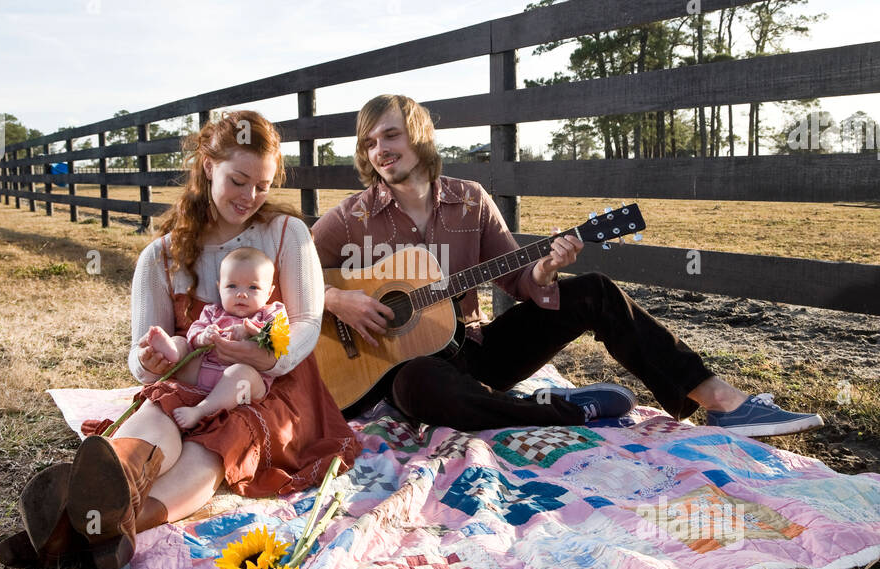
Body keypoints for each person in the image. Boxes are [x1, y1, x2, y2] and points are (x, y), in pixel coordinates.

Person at [310, 93, 825, 437]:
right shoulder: (349, 217)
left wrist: (544, 271)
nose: (380, 150)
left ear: (418, 137)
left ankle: (721, 401)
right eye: (370, 142)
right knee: (416, 387)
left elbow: (517, 278)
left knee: (595, 289)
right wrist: (337, 299)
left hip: (478, 349)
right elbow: (285, 277)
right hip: (405, 368)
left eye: (390, 136)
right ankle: (564, 410)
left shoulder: (470, 201)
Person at [0, 111, 360, 569]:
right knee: (159, 409)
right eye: (239, 180)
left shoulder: (286, 234)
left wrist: (268, 354)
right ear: (208, 165)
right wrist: (148, 360)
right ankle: (112, 494)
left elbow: (308, 319)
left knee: (217, 442)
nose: (250, 197)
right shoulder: (161, 255)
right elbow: (141, 357)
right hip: (189, 379)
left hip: (270, 387)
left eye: (263, 186)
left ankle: (99, 529)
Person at [141, 245, 286, 429]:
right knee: (182, 341)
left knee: (242, 372)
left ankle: (200, 411)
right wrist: (203, 337)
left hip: (240, 387)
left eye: (253, 287)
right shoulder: (213, 311)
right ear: (220, 287)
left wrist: (252, 332)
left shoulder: (271, 313)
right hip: (201, 374)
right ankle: (171, 353)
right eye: (232, 286)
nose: (241, 293)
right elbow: (195, 328)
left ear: (269, 292)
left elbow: (279, 341)